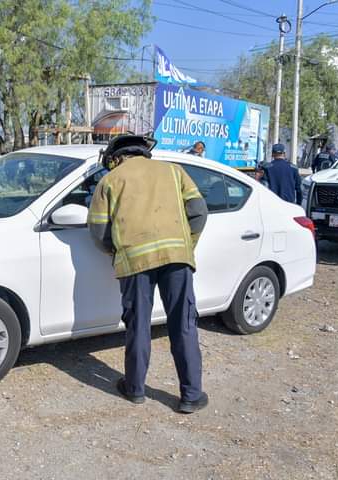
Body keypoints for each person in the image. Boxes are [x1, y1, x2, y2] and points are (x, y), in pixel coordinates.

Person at [88, 135, 209, 414]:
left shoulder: (110, 181)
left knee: (139, 325)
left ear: (116, 158)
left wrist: (118, 251)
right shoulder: (173, 171)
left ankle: (135, 389)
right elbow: (199, 212)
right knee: (183, 324)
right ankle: (191, 395)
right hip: (177, 259)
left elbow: (98, 230)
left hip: (135, 263)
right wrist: (186, 244)